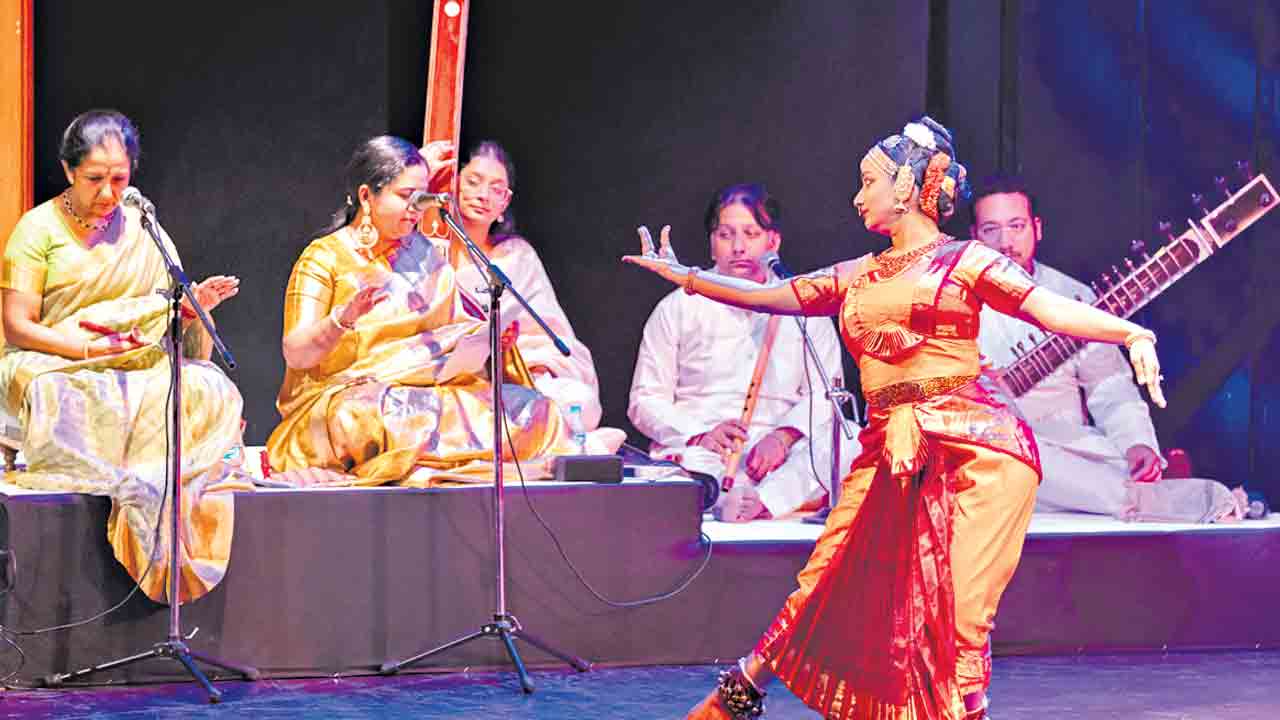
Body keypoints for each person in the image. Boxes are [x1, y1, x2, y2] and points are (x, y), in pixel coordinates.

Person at [625, 117, 1166, 719]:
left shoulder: (964, 261)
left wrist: (1130, 331)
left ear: (906, 186)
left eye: (868, 182)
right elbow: (770, 295)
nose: (858, 197)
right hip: (890, 447)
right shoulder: (860, 273)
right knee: (827, 575)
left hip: (977, 454)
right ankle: (743, 688)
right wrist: (689, 279)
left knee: (959, 613)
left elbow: (1048, 308)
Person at [0, 110, 245, 603]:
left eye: (119, 179)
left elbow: (164, 316)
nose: (109, 193)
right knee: (58, 389)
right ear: (69, 171)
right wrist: (87, 348)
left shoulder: (143, 228)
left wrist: (192, 312)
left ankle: (163, 493)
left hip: (131, 360)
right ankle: (122, 486)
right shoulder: (37, 229)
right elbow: (17, 326)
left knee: (206, 385)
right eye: (95, 179)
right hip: (54, 358)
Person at [266, 136, 576, 486]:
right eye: (404, 197)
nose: (415, 208)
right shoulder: (324, 258)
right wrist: (343, 318)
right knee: (369, 416)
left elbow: (453, 340)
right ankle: (437, 464)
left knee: (534, 409)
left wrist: (493, 346)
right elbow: (297, 353)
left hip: (429, 395)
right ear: (367, 196)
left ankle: (436, 467)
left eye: (421, 197)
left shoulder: (426, 253)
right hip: (349, 400)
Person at [973, 174, 1237, 521]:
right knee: (1008, 460)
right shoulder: (951, 299)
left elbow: (1110, 387)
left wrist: (1137, 444)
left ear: (1037, 229)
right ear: (974, 237)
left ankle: (1126, 494)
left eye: (1017, 225)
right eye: (991, 229)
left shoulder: (1074, 297)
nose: (1005, 241)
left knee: (1072, 470)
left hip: (1070, 451)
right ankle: (1178, 502)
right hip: (991, 454)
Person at [628, 183, 846, 522]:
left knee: (850, 442)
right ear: (712, 244)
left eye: (751, 234)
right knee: (681, 466)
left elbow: (826, 395)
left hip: (777, 465)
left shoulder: (803, 307)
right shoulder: (677, 308)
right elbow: (644, 400)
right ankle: (720, 495)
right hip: (703, 451)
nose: (739, 247)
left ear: (772, 242)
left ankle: (758, 502)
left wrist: (783, 437)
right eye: (726, 235)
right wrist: (700, 434)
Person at [443, 140, 606, 433]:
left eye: (496, 189)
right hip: (450, 379)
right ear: (452, 186)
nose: (483, 195)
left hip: (517, 378)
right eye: (474, 182)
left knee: (579, 403)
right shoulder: (430, 252)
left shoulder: (516, 256)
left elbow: (551, 334)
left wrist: (535, 363)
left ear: (505, 203)